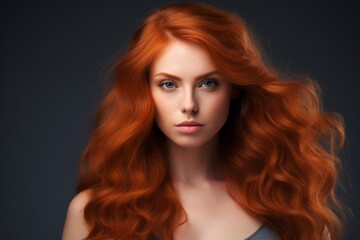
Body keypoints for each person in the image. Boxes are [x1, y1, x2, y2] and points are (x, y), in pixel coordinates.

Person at [62, 2, 345, 240]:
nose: (189, 105)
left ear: (234, 87)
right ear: (144, 91)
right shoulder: (96, 211)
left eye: (208, 83)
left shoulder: (289, 204)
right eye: (169, 85)